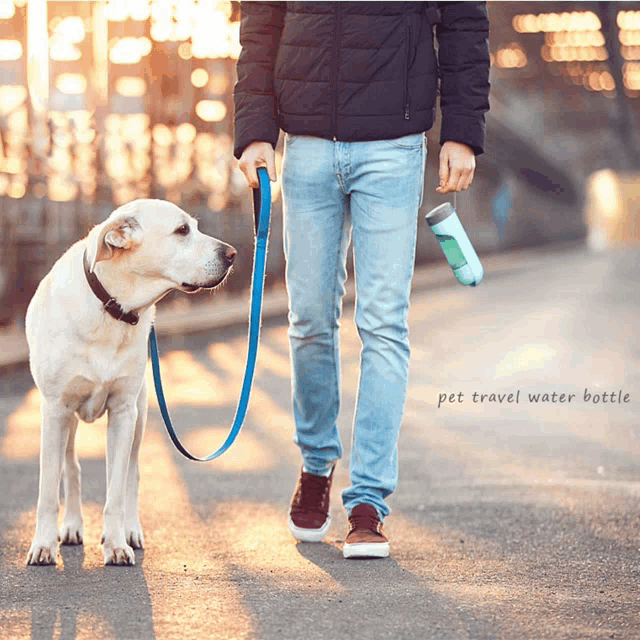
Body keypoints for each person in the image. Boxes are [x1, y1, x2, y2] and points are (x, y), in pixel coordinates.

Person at [233, 1, 490, 559]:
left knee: (383, 323)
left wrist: (463, 131)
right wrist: (254, 130)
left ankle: (368, 501)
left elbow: (464, 21)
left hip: (393, 148)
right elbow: (260, 21)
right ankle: (316, 462)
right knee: (308, 320)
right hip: (305, 145)